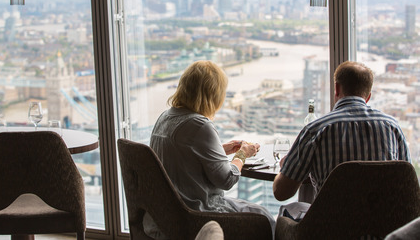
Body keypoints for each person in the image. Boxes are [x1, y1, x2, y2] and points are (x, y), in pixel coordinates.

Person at [145, 60, 276, 239]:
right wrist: (242, 154)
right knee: (265, 217)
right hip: (197, 213)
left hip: (166, 214)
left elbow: (181, 156)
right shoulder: (200, 124)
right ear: (213, 94)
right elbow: (226, 179)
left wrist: (221, 150)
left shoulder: (165, 117)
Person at [273, 61, 411, 209]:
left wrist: (286, 167)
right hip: (384, 229)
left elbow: (281, 193)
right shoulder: (393, 127)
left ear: (337, 88)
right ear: (368, 96)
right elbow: (408, 185)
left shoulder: (316, 130)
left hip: (329, 229)